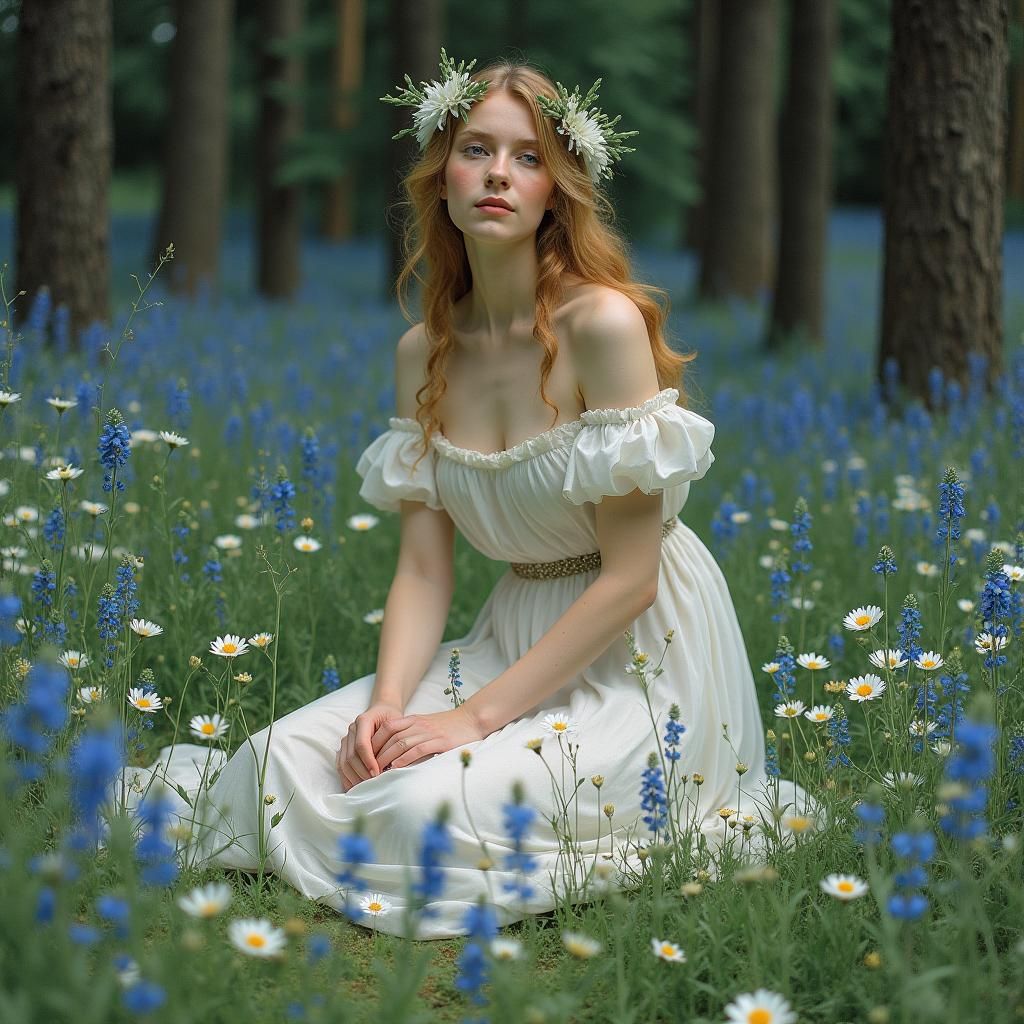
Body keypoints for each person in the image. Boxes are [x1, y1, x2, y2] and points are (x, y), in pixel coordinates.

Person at [141, 51, 803, 940]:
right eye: (477, 150)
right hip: (510, 633)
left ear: (556, 191)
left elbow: (631, 579)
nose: (499, 173)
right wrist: (387, 701)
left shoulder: (600, 327)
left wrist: (471, 720)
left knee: (419, 810)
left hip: (643, 662)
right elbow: (422, 569)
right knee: (279, 758)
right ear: (441, 178)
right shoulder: (425, 351)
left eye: (528, 157)